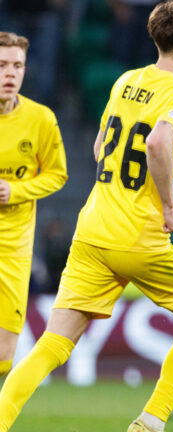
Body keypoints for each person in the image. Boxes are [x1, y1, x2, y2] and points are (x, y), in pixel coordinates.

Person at [0, 2, 173, 432]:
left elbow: (104, 148)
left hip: (92, 230)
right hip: (138, 237)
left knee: (52, 342)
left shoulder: (127, 81)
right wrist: (170, 205)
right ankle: (151, 420)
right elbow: (157, 144)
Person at [0, 31, 67, 379]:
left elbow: (58, 175)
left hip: (13, 249)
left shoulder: (40, 119)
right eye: (1, 65)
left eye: (17, 66)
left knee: (4, 357)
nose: (10, 73)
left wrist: (17, 190)